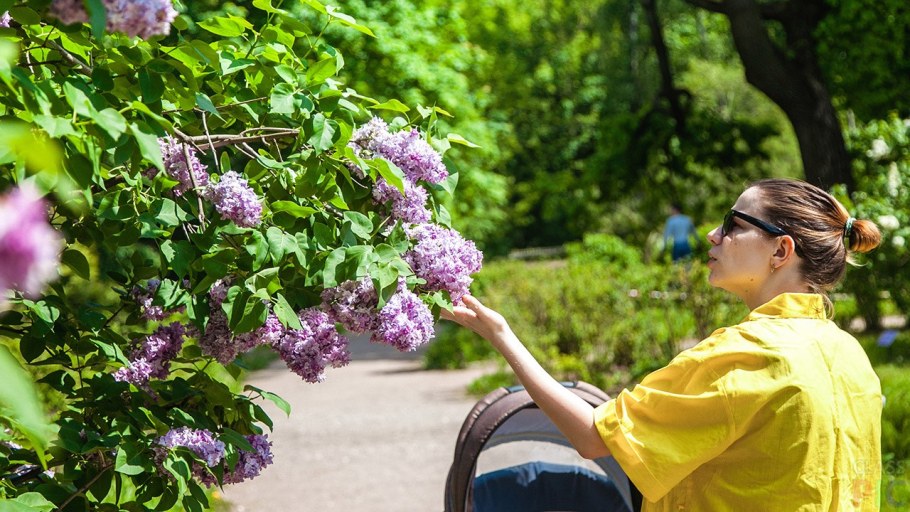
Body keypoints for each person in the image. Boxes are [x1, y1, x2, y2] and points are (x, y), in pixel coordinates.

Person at [442, 178, 883, 511]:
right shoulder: (851, 356)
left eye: (733, 223)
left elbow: (594, 437)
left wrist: (501, 336)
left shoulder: (746, 354)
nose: (713, 233)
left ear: (781, 251)